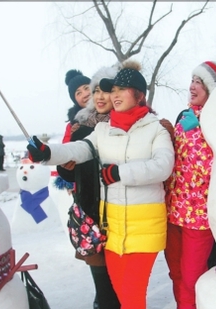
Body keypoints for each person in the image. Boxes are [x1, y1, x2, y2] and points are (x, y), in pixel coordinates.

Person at [27, 60, 174, 309]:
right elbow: (79, 149)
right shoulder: (103, 130)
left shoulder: (155, 129)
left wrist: (120, 173)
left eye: (120, 90)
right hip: (113, 228)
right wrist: (47, 153)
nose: (114, 95)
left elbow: (163, 166)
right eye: (111, 90)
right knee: (119, 292)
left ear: (138, 94)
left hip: (145, 227)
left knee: (132, 297)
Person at [164, 61, 216, 309]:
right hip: (173, 212)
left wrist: (201, 130)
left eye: (199, 82)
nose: (192, 86)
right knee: (175, 273)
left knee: (192, 277)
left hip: (199, 217)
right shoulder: (183, 117)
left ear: (212, 89)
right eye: (192, 80)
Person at [57, 64, 121, 309]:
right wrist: (65, 163)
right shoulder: (75, 126)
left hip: (116, 199)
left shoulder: (116, 116)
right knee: (97, 258)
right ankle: (103, 301)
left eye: (87, 88)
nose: (85, 95)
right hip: (89, 201)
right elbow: (65, 164)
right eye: (79, 93)